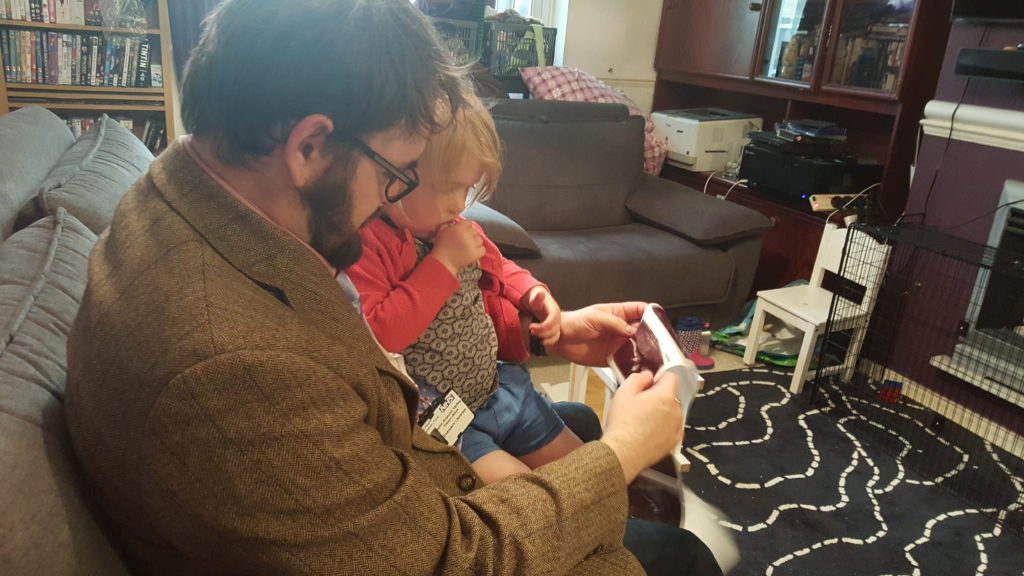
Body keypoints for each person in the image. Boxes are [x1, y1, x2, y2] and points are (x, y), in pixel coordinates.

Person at [64, 1, 721, 574]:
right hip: (427, 506)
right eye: (397, 172)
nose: (393, 203)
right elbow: (451, 560)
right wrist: (626, 452)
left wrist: (543, 331)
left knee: (570, 420)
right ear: (310, 146)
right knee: (680, 554)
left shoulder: (184, 201)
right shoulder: (231, 370)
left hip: (396, 452)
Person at [346, 92, 581, 484]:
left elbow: (500, 267)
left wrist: (534, 294)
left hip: (499, 387)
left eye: (467, 189)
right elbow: (381, 334)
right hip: (445, 425)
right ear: (396, 173)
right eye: (447, 188)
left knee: (585, 474)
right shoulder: (368, 243)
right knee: (528, 499)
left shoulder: (456, 226)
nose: (459, 205)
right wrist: (443, 264)